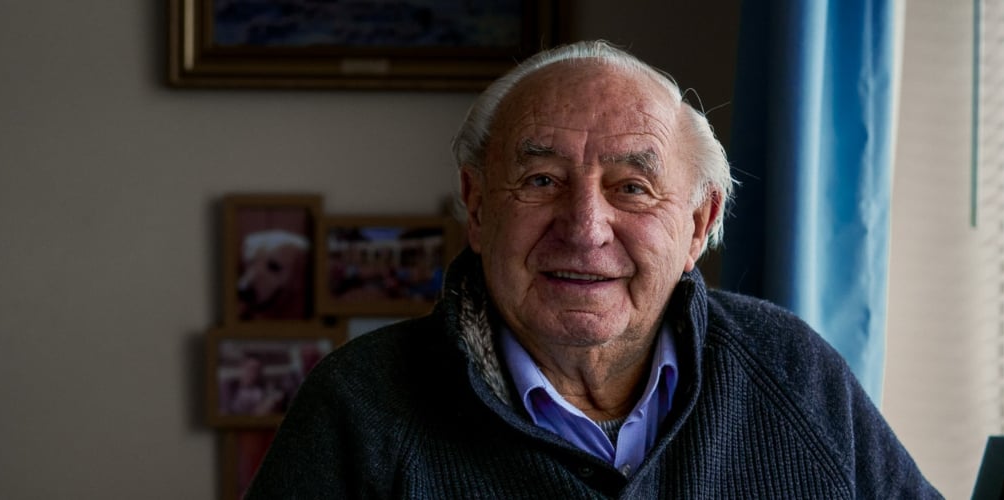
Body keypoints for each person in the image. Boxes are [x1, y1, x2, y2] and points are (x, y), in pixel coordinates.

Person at [245, 40, 940, 498]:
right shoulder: (360, 406)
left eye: (632, 188)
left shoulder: (792, 371)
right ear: (478, 206)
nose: (583, 228)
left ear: (698, 224)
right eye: (541, 180)